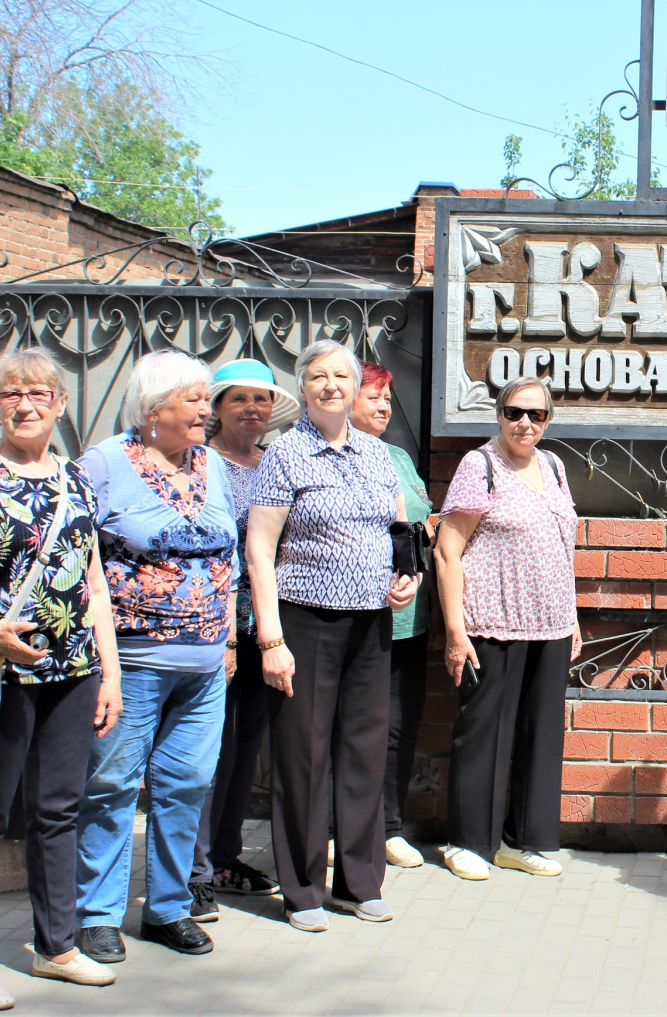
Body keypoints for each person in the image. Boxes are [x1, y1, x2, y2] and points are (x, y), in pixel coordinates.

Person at [0, 348, 123, 1010]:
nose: (26, 404)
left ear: (60, 404)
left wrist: (110, 671)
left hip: (71, 671)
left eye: (39, 393)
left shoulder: (79, 481)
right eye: (12, 394)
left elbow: (94, 584)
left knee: (59, 810)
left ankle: (56, 945)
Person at [247, 340, 419, 932]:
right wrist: (270, 637)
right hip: (305, 619)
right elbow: (260, 549)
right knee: (304, 755)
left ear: (354, 385)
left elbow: (400, 531)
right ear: (303, 388)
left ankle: (359, 883)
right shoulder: (286, 456)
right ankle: (301, 891)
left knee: (364, 752)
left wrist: (408, 580)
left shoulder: (378, 454)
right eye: (317, 376)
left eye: (340, 375)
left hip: (371, 622)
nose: (330, 385)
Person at [74, 350, 238, 962]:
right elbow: (72, 559)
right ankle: (95, 915)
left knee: (187, 783)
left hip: (203, 665)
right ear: (152, 409)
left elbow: (230, 560)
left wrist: (228, 638)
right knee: (112, 785)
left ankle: (167, 909)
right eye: (195, 398)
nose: (206, 409)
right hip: (131, 664)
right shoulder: (104, 465)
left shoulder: (211, 466)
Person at [435, 376, 580, 882]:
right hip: (492, 621)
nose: (525, 423)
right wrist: (456, 632)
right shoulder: (480, 466)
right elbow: (447, 550)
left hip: (552, 626)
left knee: (540, 735)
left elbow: (564, 548)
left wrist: (574, 618)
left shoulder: (556, 466)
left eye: (536, 415)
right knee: (484, 732)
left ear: (547, 421)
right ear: (499, 414)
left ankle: (525, 841)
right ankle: (467, 842)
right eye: (515, 412)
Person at [186, 359, 300, 923]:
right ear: (216, 406)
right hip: (216, 626)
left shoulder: (273, 462)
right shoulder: (200, 464)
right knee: (206, 751)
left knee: (242, 749)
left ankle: (224, 856)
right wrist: (228, 627)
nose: (251, 410)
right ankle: (192, 870)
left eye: (261, 400)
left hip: (266, 628)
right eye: (239, 400)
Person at [351, 361, 435, 870]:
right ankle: (352, 828)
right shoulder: (341, 458)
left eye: (387, 398)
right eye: (373, 397)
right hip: (364, 615)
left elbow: (417, 527)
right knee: (362, 727)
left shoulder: (399, 455)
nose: (384, 407)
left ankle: (390, 827)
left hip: (412, 617)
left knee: (401, 726)